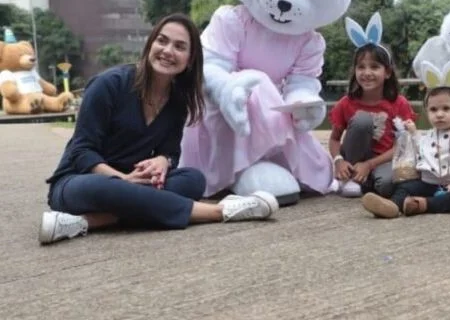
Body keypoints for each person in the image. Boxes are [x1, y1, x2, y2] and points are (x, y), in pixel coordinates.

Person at [39, 13, 279, 245]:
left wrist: (164, 161)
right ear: (150, 44)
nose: (167, 51)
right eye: (162, 41)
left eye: (179, 46)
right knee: (111, 189)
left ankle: (84, 222)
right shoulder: (109, 84)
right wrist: (122, 180)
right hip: (82, 182)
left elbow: (171, 152)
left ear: (190, 58)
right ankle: (220, 211)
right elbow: (82, 152)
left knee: (193, 180)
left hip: (134, 182)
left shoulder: (178, 100)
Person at [361, 84, 450, 218]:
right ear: (427, 112)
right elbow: (421, 147)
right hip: (428, 183)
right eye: (433, 110)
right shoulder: (430, 134)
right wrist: (413, 132)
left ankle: (423, 204)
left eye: (446, 109)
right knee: (405, 187)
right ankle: (393, 206)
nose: (439, 114)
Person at [329, 13, 416, 199]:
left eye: (374, 67)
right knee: (362, 119)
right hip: (354, 157)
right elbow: (335, 139)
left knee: (386, 186)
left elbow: (402, 146)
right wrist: (338, 161)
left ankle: (364, 179)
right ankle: (349, 177)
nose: (367, 73)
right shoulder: (346, 103)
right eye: (361, 67)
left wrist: (370, 165)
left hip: (382, 160)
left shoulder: (399, 104)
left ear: (387, 73)